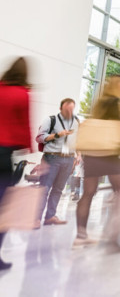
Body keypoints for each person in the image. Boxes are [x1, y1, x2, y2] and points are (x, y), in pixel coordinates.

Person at [75, 74, 120, 252]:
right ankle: (113, 238)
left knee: (88, 193)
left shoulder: (100, 102)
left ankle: (80, 236)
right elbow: (116, 129)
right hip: (108, 152)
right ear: (117, 85)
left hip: (92, 153)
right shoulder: (114, 102)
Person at [0, 57, 33, 270]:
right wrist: (30, 149)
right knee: (3, 209)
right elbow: (25, 125)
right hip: (3, 156)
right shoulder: (22, 94)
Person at [35, 97, 80, 226]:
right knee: (44, 188)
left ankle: (50, 216)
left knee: (58, 189)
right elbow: (39, 138)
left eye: (72, 109)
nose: (69, 112)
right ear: (60, 108)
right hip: (52, 157)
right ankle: (36, 219)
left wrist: (78, 155)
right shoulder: (51, 120)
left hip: (69, 158)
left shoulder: (76, 121)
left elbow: (77, 140)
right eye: (67, 109)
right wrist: (57, 135)